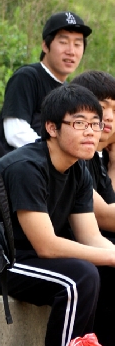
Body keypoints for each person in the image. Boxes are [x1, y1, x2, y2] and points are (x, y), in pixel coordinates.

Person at [0, 83, 115, 346]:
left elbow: (91, 237)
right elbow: (46, 245)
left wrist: (111, 255)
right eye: (79, 123)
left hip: (32, 260)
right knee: (78, 278)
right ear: (51, 128)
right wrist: (109, 255)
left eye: (95, 124)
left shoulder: (77, 170)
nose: (91, 132)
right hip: (1, 261)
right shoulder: (27, 166)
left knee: (104, 271)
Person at [0, 11, 91, 159]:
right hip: (20, 167)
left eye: (77, 44)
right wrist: (58, 152)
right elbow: (15, 132)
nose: (71, 51)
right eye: (63, 42)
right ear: (45, 45)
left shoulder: (68, 91)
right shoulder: (27, 77)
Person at [71, 70, 115, 237]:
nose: (109, 117)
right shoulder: (73, 158)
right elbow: (105, 217)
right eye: (102, 107)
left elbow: (110, 204)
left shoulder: (95, 156)